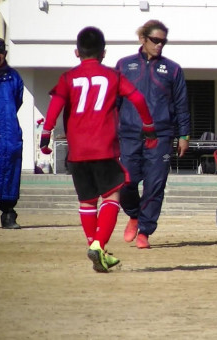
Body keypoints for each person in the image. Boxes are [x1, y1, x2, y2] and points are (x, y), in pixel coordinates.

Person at [40, 27, 158, 272]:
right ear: (104, 53)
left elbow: (56, 104)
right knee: (112, 196)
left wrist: (45, 134)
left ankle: (96, 248)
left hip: (77, 151)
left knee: (87, 201)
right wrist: (148, 126)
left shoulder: (67, 78)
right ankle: (99, 245)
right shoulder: (112, 76)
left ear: (76, 52)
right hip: (104, 148)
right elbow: (137, 98)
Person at [116, 20, 190, 249]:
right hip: (129, 135)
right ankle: (134, 215)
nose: (159, 45)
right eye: (155, 40)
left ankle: (145, 232)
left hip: (160, 137)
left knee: (154, 185)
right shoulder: (123, 65)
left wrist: (184, 136)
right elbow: (114, 102)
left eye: (163, 41)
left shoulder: (173, 69)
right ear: (143, 39)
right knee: (125, 183)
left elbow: (181, 105)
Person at [0, 38, 24, 229]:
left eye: (0, 52)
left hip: (9, 136)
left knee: (10, 174)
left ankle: (9, 215)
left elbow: (17, 101)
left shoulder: (14, 77)